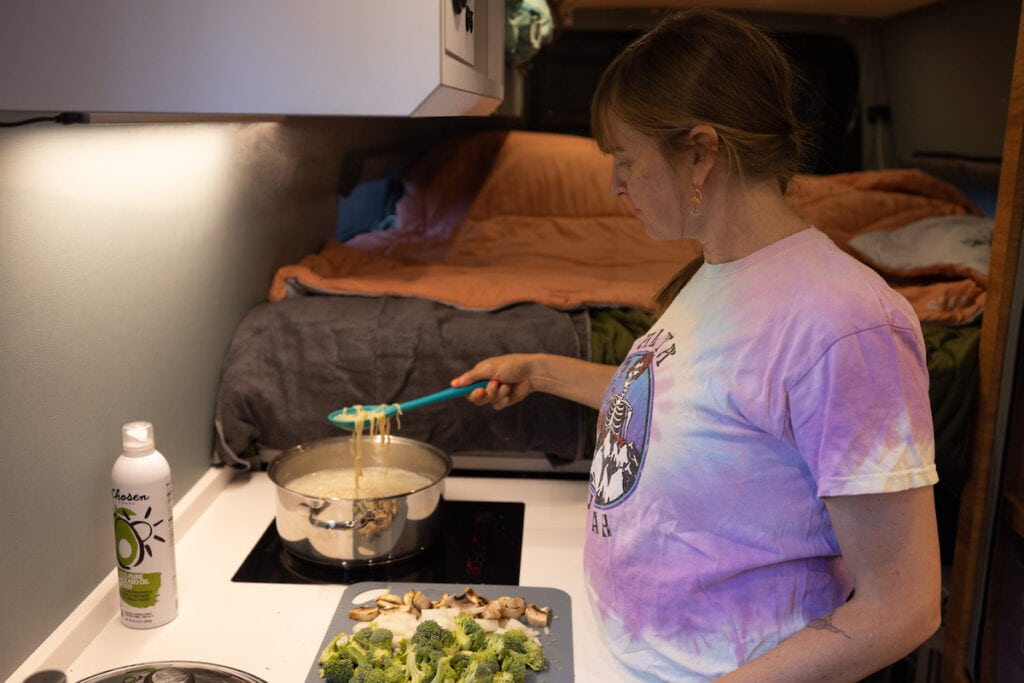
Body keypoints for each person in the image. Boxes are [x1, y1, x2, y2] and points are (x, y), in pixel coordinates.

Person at [450, 8, 942, 682]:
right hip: (624, 655)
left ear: (701, 154)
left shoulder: (847, 323)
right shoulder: (714, 270)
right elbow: (687, 409)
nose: (615, 185)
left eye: (625, 160)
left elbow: (902, 608)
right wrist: (540, 368)